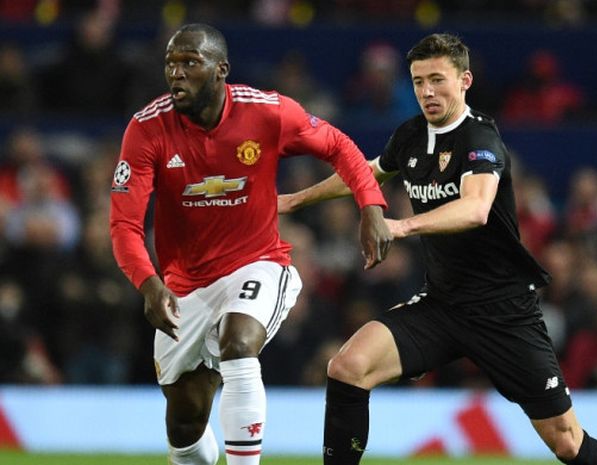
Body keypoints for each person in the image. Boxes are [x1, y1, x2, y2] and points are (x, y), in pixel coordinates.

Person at [279, 33, 597, 465]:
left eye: (437, 80)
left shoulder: (482, 139)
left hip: (503, 312)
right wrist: (292, 200)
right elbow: (364, 173)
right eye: (418, 81)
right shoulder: (410, 135)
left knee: (567, 441)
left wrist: (399, 225)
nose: (427, 92)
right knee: (348, 366)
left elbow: (475, 208)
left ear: (465, 81)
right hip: (443, 306)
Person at [109, 23, 391, 465]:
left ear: (221, 70)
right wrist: (148, 283)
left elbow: (338, 144)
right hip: (184, 283)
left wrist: (370, 204)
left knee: (239, 342)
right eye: (171, 63)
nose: (176, 74)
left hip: (257, 262)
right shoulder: (147, 129)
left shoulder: (267, 112)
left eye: (190, 63)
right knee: (184, 425)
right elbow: (124, 224)